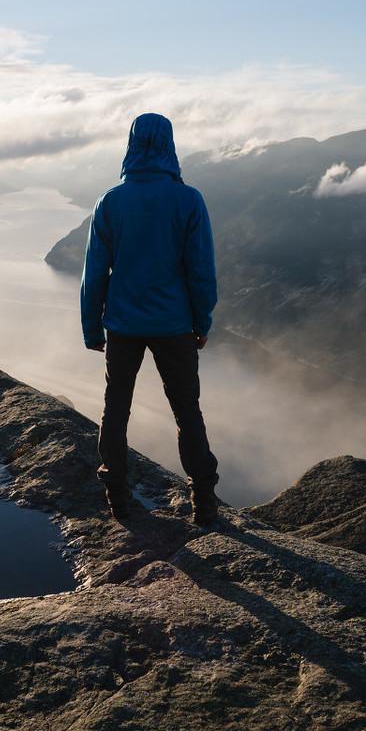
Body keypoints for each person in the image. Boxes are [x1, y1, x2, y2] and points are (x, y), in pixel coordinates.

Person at [80, 112, 219, 524]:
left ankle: (118, 499)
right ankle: (204, 504)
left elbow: (94, 271)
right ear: (169, 145)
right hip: (174, 325)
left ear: (132, 144)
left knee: (115, 409)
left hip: (122, 325)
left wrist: (92, 326)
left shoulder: (111, 201)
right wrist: (202, 321)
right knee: (186, 411)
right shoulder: (188, 199)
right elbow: (200, 269)